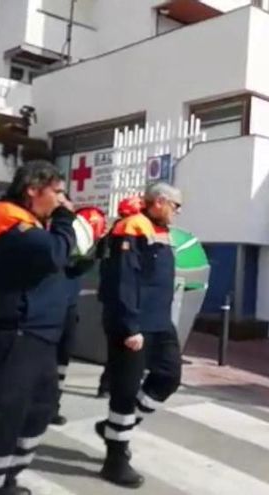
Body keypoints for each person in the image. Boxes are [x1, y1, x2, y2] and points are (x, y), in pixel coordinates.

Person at [0, 161, 76, 495]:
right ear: (33, 189)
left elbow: (61, 265)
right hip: (15, 334)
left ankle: (3, 479)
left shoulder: (34, 224)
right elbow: (52, 255)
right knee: (2, 413)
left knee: (38, 410)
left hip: (39, 335)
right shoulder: (7, 216)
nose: (63, 200)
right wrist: (66, 220)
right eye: (58, 192)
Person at [94, 183, 183, 488]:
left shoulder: (158, 230)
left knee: (168, 377)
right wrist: (130, 327)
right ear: (159, 202)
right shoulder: (132, 227)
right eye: (176, 205)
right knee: (125, 390)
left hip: (160, 322)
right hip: (133, 324)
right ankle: (115, 460)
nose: (177, 212)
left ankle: (115, 427)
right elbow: (124, 281)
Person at [52, 200, 107, 426]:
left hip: (68, 309)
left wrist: (93, 254)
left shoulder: (78, 249)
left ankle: (52, 406)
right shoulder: (54, 241)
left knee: (62, 360)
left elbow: (75, 270)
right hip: (49, 309)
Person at [95, 195, 146, 399]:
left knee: (114, 345)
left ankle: (106, 386)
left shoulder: (111, 232)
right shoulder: (129, 232)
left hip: (108, 298)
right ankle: (119, 387)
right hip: (122, 299)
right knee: (127, 346)